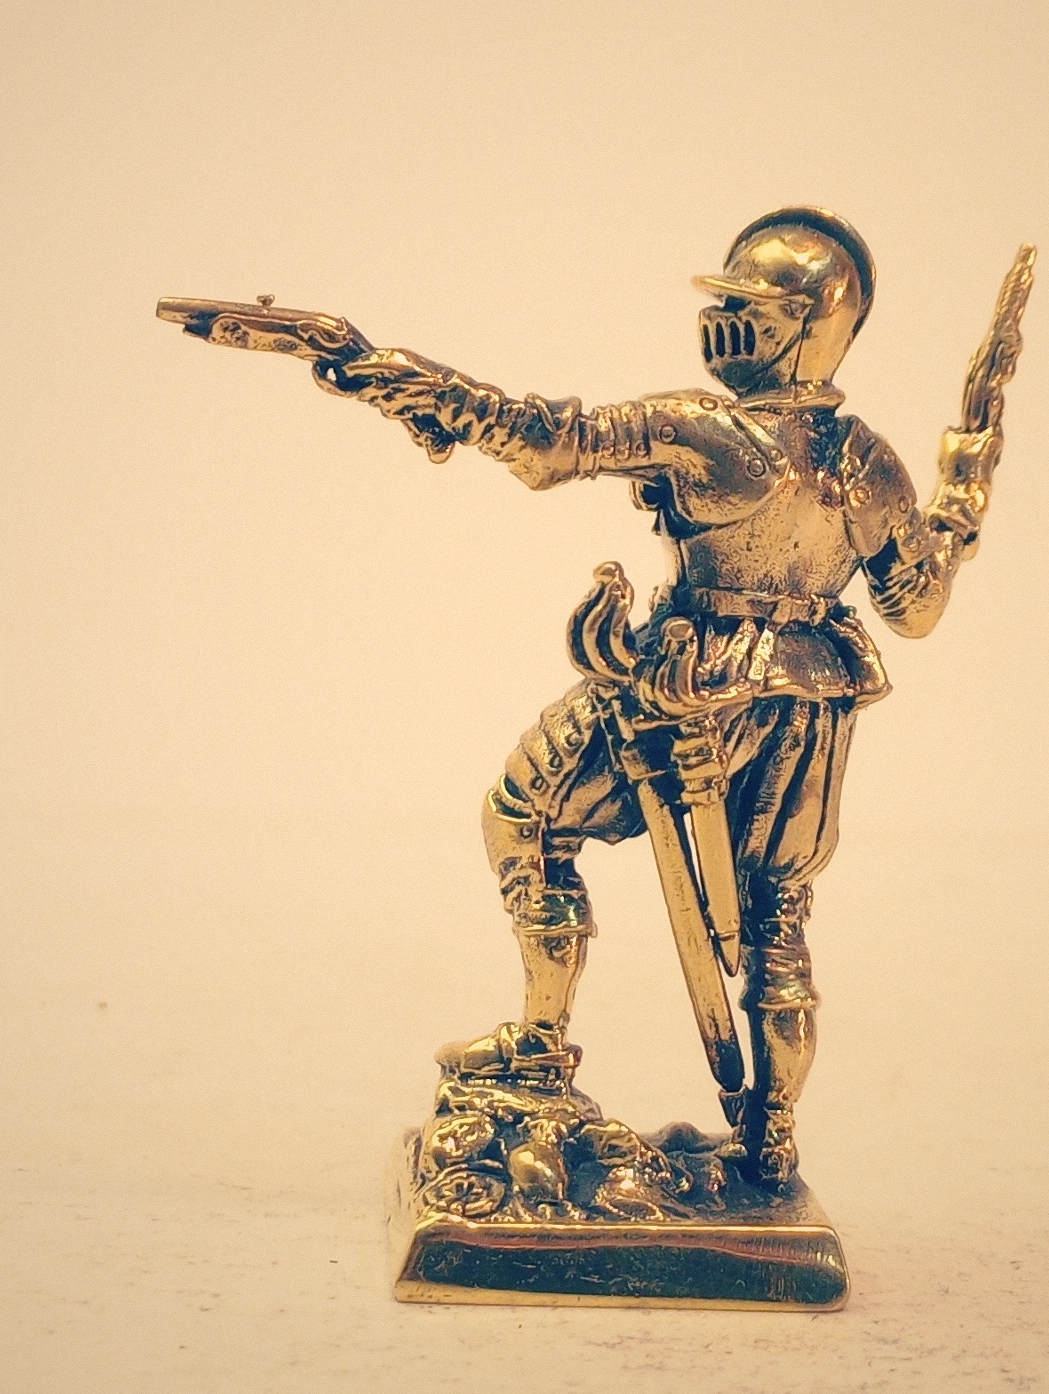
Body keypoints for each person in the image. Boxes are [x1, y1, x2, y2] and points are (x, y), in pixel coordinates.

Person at [312, 207, 1008, 1186]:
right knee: (776, 917)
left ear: (810, 325)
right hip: (807, 700)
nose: (723, 323)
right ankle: (769, 1138)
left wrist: (410, 383)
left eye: (749, 307)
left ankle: (542, 1047)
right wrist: (958, 511)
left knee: (523, 814)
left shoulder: (704, 429)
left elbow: (548, 441)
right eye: (725, 303)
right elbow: (917, 607)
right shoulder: (868, 464)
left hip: (686, 684)